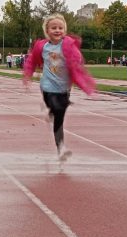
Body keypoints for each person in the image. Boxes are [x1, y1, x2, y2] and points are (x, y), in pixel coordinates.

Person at [23, 13, 95, 162]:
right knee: (56, 107)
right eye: (53, 28)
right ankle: (52, 110)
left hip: (64, 88)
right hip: (48, 87)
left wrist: (78, 68)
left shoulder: (68, 45)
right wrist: (27, 75)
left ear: (64, 30)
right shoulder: (42, 47)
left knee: (59, 120)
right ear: (47, 31)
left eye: (60, 28)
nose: (57, 30)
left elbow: (77, 59)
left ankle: (61, 148)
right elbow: (31, 61)